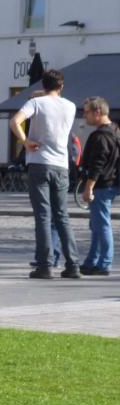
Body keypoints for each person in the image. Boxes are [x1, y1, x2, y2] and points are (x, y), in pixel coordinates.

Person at [11, 69, 81, 278]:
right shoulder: (70, 106)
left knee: (43, 215)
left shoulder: (36, 103)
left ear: (42, 85)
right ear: (61, 86)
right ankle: (73, 264)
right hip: (61, 165)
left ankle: (45, 265)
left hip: (39, 163)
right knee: (62, 216)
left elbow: (15, 121)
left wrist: (25, 141)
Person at [78, 97, 119, 276]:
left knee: (101, 224)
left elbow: (97, 164)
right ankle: (92, 261)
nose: (84, 116)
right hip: (112, 182)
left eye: (86, 112)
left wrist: (89, 187)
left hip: (102, 184)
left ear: (97, 112)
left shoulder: (101, 136)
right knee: (96, 224)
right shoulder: (116, 130)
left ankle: (104, 263)